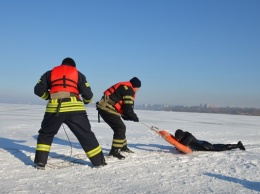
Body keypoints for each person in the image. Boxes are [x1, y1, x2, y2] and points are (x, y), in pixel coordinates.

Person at [34, 57, 106, 169]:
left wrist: (51, 96)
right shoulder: (78, 74)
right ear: (73, 67)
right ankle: (98, 162)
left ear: (61, 65)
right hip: (75, 109)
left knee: (46, 134)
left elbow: (38, 89)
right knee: (86, 135)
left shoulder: (50, 73)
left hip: (54, 109)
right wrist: (86, 102)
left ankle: (40, 162)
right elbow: (88, 95)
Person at [96, 77, 141, 160]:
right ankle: (114, 151)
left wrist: (128, 116)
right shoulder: (129, 90)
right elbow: (128, 108)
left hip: (106, 108)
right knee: (120, 127)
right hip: (107, 108)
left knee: (121, 127)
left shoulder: (125, 87)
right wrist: (133, 116)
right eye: (138, 89)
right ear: (135, 86)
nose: (137, 90)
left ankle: (123, 147)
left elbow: (124, 109)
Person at [174, 129, 245, 151]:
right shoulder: (186, 135)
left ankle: (238, 145)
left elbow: (182, 146)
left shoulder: (188, 137)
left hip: (205, 146)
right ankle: (238, 145)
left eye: (178, 137)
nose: (178, 138)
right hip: (203, 143)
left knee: (221, 148)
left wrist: (177, 146)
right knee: (217, 145)